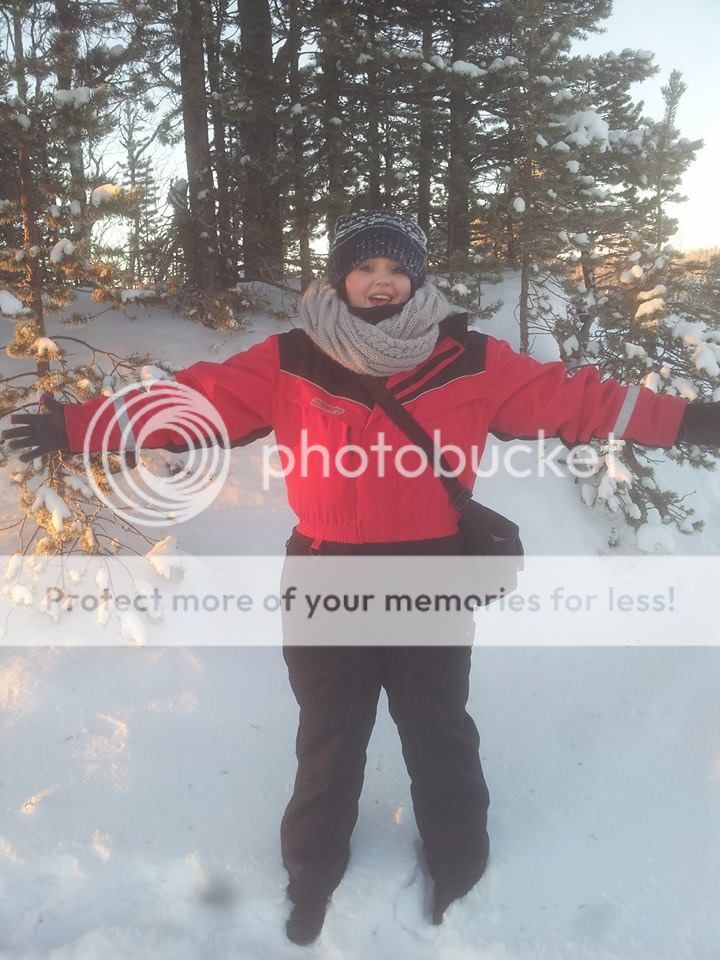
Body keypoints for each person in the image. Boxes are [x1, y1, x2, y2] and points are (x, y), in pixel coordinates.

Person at [3, 209, 720, 946]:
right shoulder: (291, 359)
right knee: (330, 732)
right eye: (366, 267)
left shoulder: (469, 359)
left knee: (437, 726)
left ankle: (457, 859)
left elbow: (578, 398)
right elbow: (191, 401)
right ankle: (313, 869)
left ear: (416, 279)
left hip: (431, 576)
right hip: (325, 573)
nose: (382, 282)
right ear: (339, 276)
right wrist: (74, 426)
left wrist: (690, 421)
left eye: (397, 268)